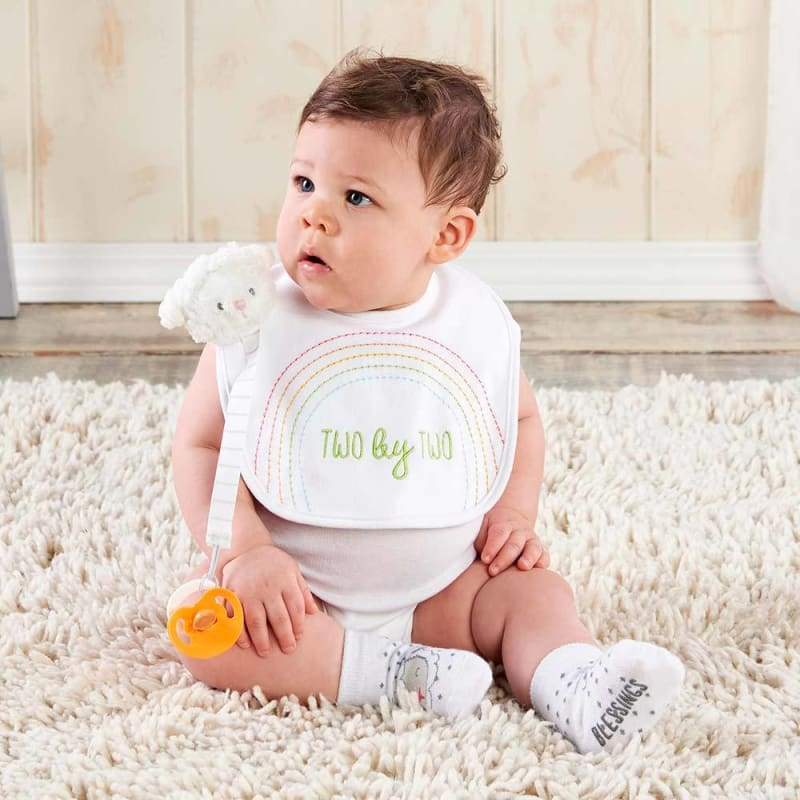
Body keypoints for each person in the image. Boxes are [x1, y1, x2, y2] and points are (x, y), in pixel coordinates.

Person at [168, 47, 685, 753]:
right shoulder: (254, 318)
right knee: (205, 633)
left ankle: (578, 685)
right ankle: (387, 675)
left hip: (445, 592)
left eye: (355, 198)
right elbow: (199, 445)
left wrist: (512, 514)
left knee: (534, 593)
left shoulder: (466, 327)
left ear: (445, 235)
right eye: (304, 182)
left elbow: (520, 419)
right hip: (297, 599)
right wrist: (247, 553)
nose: (314, 215)